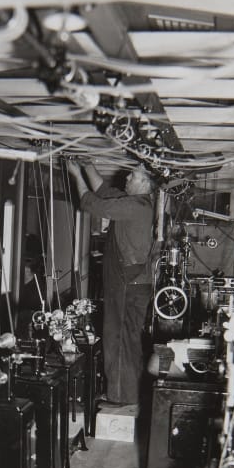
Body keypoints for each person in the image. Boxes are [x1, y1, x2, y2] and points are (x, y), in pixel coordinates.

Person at [67, 161, 156, 406]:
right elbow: (103, 190)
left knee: (118, 338)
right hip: (130, 283)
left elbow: (91, 203)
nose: (127, 177)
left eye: (133, 175)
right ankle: (127, 393)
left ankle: (120, 397)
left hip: (129, 283)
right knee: (124, 338)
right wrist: (87, 165)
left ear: (144, 183)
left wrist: (76, 174)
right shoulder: (133, 202)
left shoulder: (136, 206)